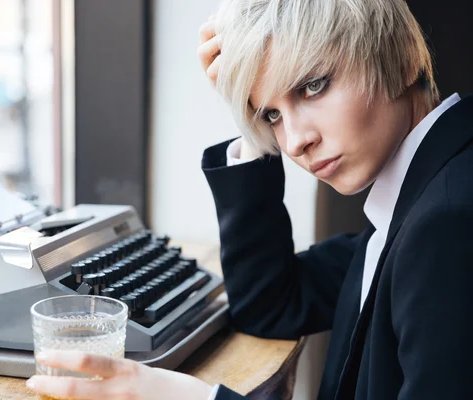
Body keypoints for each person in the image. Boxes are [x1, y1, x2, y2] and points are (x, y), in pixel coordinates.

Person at [26, 0, 473, 399]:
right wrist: (250, 117)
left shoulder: (447, 223)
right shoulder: (423, 194)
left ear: (398, 60)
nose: (295, 142)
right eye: (273, 114)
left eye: (313, 86)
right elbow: (272, 304)